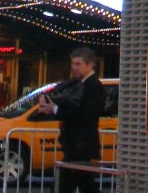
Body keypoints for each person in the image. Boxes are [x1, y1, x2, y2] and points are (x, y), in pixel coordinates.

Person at [36, 47, 105, 193]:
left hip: (81, 146)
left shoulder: (93, 86)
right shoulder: (78, 83)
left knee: (62, 186)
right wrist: (53, 109)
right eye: (73, 63)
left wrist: (55, 109)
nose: (74, 67)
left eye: (78, 64)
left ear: (89, 64)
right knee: (85, 185)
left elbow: (85, 114)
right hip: (77, 146)